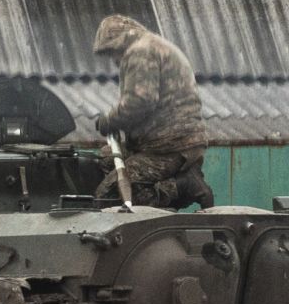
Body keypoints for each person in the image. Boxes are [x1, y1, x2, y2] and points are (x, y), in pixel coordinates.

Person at [92, 15, 214, 209]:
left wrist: (110, 121)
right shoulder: (151, 45)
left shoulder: (139, 51)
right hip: (167, 142)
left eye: (111, 52)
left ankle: (184, 187)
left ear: (119, 42)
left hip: (169, 146)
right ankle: (172, 188)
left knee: (110, 194)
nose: (113, 60)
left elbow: (140, 101)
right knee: (101, 161)